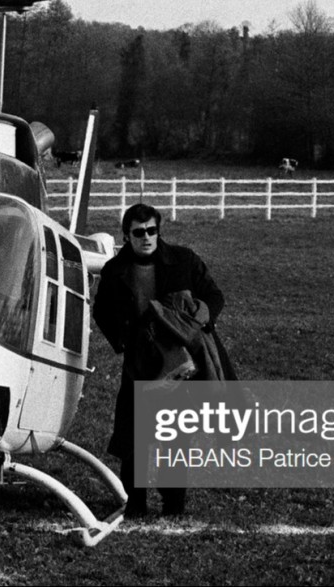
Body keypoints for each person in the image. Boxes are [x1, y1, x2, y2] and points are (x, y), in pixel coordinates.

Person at [93, 203, 237, 518]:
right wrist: (123, 341)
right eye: (139, 232)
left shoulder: (184, 260)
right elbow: (101, 310)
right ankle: (136, 505)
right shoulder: (114, 271)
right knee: (135, 437)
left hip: (179, 362)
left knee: (176, 437)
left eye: (152, 231)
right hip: (140, 362)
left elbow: (214, 296)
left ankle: (173, 507)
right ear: (126, 236)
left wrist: (198, 320)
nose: (146, 237)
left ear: (158, 231)